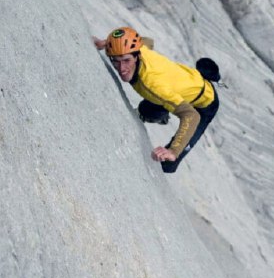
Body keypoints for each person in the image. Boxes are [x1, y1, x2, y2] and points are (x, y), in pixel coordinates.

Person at [93, 26, 219, 173]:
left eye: (126, 60)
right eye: (116, 61)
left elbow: (192, 116)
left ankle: (162, 115)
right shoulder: (139, 49)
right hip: (179, 84)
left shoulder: (151, 84)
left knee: (167, 162)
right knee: (147, 109)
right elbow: (148, 41)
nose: (121, 68)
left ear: (137, 56)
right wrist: (107, 44)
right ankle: (160, 113)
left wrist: (173, 151)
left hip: (205, 104)